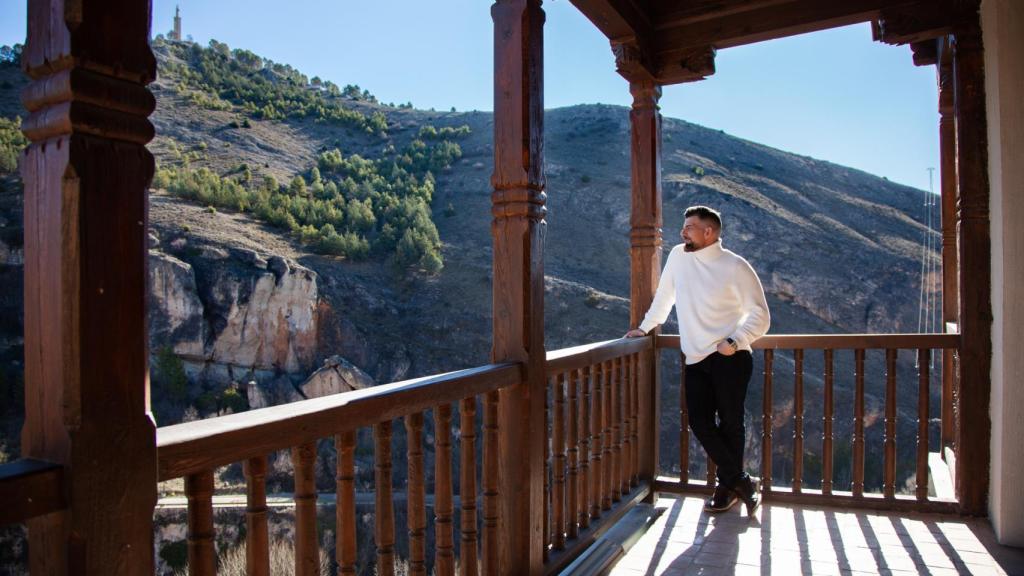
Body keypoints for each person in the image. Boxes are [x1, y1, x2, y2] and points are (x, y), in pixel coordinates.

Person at [625, 205, 770, 515]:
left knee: (731, 423)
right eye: (684, 225)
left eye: (690, 226)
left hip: (730, 356)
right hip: (695, 357)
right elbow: (665, 297)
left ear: (709, 232)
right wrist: (644, 328)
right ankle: (742, 482)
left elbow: (761, 314)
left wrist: (735, 341)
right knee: (700, 422)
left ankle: (726, 487)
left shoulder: (735, 266)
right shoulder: (678, 255)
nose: (683, 231)